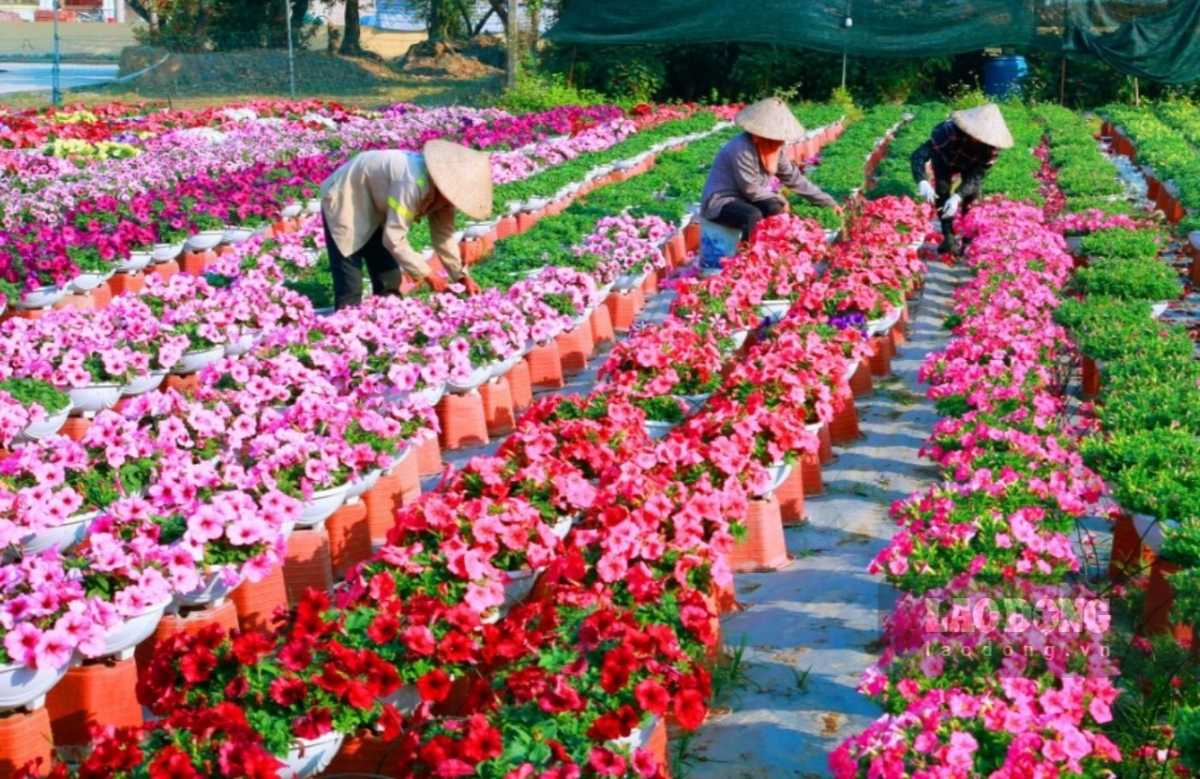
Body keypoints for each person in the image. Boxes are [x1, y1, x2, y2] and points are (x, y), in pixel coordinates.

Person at [320, 139, 491, 310]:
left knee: (388, 275)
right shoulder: (412, 183)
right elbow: (394, 239)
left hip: (376, 201)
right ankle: (345, 325)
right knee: (349, 276)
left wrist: (461, 276)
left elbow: (444, 239)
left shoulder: (446, 197)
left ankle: (389, 321)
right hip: (347, 194)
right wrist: (428, 275)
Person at [701, 97, 843, 243]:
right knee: (752, 216)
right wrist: (781, 198)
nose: (780, 141)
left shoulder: (774, 150)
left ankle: (769, 251)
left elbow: (795, 179)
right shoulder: (741, 148)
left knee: (773, 208)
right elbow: (750, 189)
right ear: (759, 135)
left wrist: (828, 202)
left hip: (746, 199)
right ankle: (746, 258)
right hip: (721, 202)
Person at [910, 103, 1013, 254]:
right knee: (942, 192)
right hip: (943, 159)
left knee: (971, 196)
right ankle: (948, 238)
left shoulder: (991, 149)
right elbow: (920, 154)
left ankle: (968, 240)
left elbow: (977, 175)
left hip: (970, 166)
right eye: (977, 137)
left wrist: (958, 196)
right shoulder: (948, 131)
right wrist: (922, 180)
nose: (980, 140)